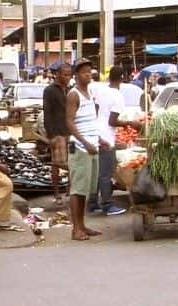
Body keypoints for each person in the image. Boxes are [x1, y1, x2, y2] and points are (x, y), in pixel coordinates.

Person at [90, 66, 141, 216]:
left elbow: (97, 110)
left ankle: (93, 203)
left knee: (98, 172)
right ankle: (107, 205)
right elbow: (112, 121)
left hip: (97, 133)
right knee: (105, 173)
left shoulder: (101, 90)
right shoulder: (117, 96)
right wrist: (130, 123)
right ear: (123, 77)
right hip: (106, 138)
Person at [65, 58, 104, 241]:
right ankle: (75, 229)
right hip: (80, 147)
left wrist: (98, 139)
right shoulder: (74, 94)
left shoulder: (89, 92)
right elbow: (69, 122)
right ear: (76, 75)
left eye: (89, 71)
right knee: (78, 190)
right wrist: (85, 142)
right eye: (83, 72)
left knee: (87, 190)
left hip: (92, 145)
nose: (88, 74)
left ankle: (82, 225)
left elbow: (90, 120)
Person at [43, 63, 72, 202]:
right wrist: (51, 135)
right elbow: (47, 113)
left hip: (70, 131)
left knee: (72, 162)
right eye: (65, 74)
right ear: (58, 74)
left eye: (69, 74)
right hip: (57, 132)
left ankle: (69, 189)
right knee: (57, 163)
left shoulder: (70, 90)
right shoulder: (50, 90)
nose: (68, 77)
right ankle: (56, 193)